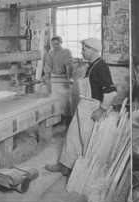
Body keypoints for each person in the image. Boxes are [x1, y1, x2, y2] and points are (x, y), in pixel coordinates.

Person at [44, 37, 117, 176]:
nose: (81, 51)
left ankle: (86, 171)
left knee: (87, 141)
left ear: (93, 50)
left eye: (84, 49)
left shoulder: (101, 66)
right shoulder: (92, 64)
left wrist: (101, 109)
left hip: (92, 108)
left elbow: (111, 93)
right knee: (72, 136)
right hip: (84, 106)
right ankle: (66, 165)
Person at [42, 36, 74, 126]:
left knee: (66, 101)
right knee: (56, 100)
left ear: (61, 42)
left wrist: (69, 77)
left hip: (64, 79)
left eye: (57, 44)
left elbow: (69, 64)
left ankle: (68, 121)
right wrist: (46, 76)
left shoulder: (66, 51)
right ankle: (59, 119)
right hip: (54, 79)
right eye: (53, 44)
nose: (55, 46)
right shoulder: (50, 53)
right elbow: (48, 65)